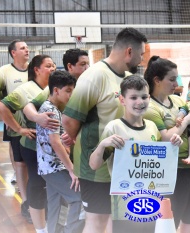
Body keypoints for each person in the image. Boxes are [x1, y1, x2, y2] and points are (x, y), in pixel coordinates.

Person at [62, 28, 147, 233]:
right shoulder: (94, 76)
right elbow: (69, 119)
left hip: (122, 166)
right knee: (96, 223)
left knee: (114, 220)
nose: (142, 59)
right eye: (141, 54)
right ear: (129, 52)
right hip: (96, 169)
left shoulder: (128, 79)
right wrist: (84, 145)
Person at [89, 75, 182, 233]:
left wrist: (173, 143)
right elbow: (94, 165)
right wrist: (103, 145)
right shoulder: (114, 128)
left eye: (144, 97)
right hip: (125, 208)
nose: (140, 102)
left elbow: (159, 163)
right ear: (122, 100)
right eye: (133, 97)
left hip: (153, 204)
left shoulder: (152, 127)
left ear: (149, 98)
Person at [144, 56, 190, 233]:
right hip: (173, 171)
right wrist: (186, 121)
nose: (176, 83)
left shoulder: (177, 101)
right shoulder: (150, 108)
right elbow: (165, 138)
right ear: (157, 80)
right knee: (172, 219)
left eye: (176, 78)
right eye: (171, 79)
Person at [0, 55, 55, 232]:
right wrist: (19, 129)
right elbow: (1, 107)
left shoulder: (53, 88)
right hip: (31, 145)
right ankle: (33, 213)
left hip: (51, 146)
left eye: (54, 65)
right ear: (36, 69)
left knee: (51, 182)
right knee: (36, 181)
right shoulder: (26, 90)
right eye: (48, 66)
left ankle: (48, 215)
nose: (53, 68)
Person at [0, 39, 30, 221]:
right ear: (13, 53)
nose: (27, 50)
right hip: (15, 125)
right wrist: (4, 114)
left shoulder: (35, 69)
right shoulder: (4, 71)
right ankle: (26, 201)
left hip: (37, 125)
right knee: (20, 162)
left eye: (27, 47)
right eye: (22, 48)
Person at [36, 70, 84, 233]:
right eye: (68, 91)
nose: (71, 95)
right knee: (79, 198)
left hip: (47, 167)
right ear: (56, 90)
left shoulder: (49, 107)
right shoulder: (51, 111)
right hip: (54, 167)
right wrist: (71, 169)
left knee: (56, 202)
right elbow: (55, 143)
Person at [23, 48, 90, 129]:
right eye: (83, 64)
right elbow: (28, 107)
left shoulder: (88, 84)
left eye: (88, 64)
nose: (88, 68)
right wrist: (37, 117)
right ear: (70, 66)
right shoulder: (59, 85)